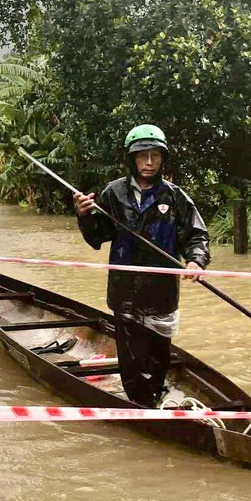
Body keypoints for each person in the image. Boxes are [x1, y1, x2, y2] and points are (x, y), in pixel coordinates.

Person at [73, 124, 210, 407]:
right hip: (125, 290)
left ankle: (155, 397)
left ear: (163, 159)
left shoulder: (174, 196)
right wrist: (84, 215)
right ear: (132, 158)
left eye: (155, 156)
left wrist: (196, 261)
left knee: (158, 354)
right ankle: (139, 405)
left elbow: (196, 234)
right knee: (131, 358)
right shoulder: (114, 193)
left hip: (161, 291)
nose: (149, 163)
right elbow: (98, 237)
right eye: (142, 156)